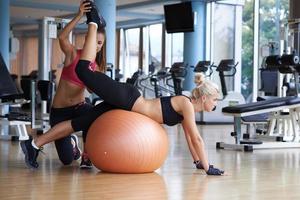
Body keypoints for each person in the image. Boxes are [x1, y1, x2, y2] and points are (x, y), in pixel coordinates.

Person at [21, 5, 224, 175]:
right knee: (82, 69)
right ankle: (93, 21)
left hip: (124, 106)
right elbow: (197, 138)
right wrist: (208, 168)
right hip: (128, 99)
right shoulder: (186, 104)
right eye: (215, 100)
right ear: (204, 97)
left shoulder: (186, 109)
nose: (215, 104)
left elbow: (190, 138)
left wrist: (199, 162)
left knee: (79, 122)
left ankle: (34, 144)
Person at [21, 0, 106, 169]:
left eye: (99, 43)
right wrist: (80, 14)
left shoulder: (96, 66)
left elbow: (90, 89)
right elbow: (61, 36)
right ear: (87, 38)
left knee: (94, 116)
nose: (95, 45)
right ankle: (72, 143)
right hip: (60, 112)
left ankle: (87, 156)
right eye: (93, 40)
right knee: (67, 160)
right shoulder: (73, 53)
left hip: (80, 107)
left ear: (102, 46)